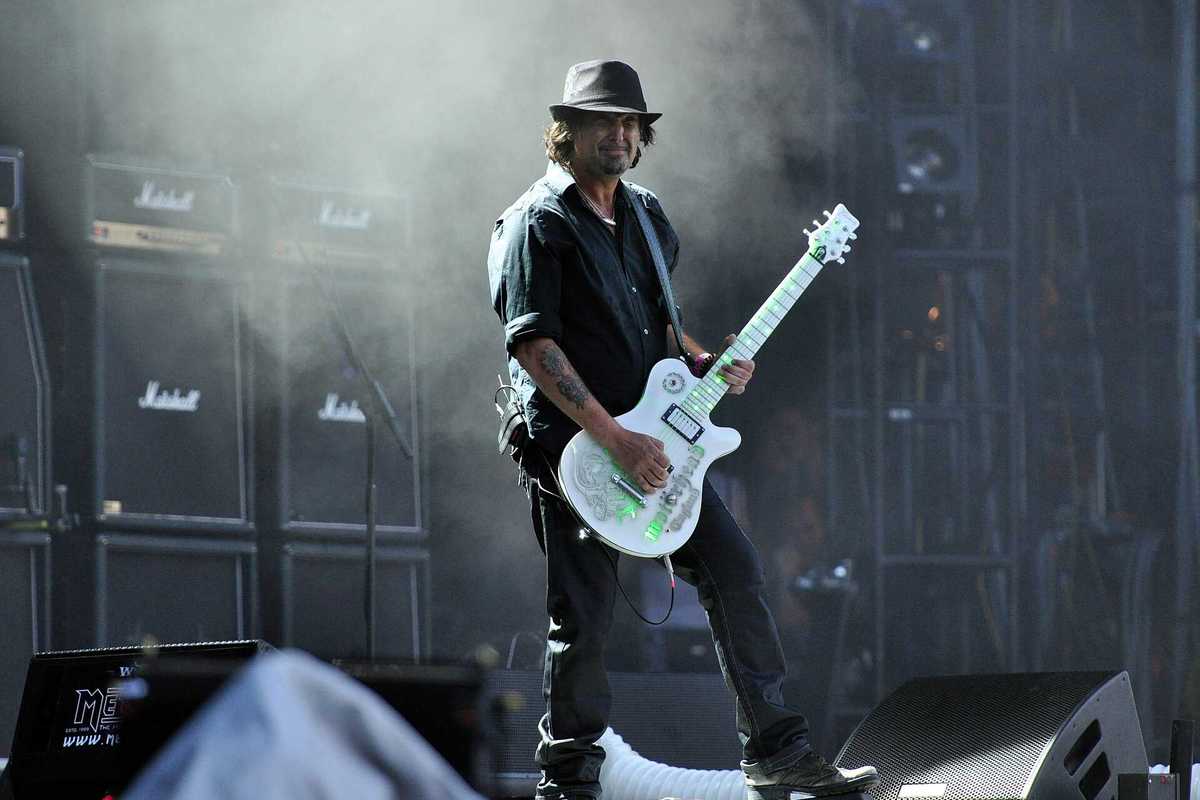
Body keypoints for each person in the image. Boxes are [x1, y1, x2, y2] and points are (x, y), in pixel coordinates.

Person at [487, 59, 879, 800]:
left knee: (734, 570)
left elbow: (657, 328)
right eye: (603, 121)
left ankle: (776, 750)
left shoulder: (646, 215)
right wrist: (617, 440)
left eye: (631, 123)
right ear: (565, 133)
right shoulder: (537, 223)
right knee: (585, 617)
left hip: (656, 444)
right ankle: (566, 782)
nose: (620, 134)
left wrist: (703, 360)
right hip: (575, 449)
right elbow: (536, 347)